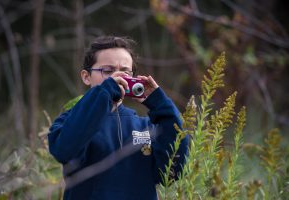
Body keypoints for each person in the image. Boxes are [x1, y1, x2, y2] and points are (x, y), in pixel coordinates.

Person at [48, 36, 189, 200]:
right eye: (108, 71)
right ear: (86, 77)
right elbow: (64, 151)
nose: (119, 78)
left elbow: (173, 172)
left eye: (125, 72)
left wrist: (161, 105)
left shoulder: (147, 126)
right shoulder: (70, 120)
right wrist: (105, 93)